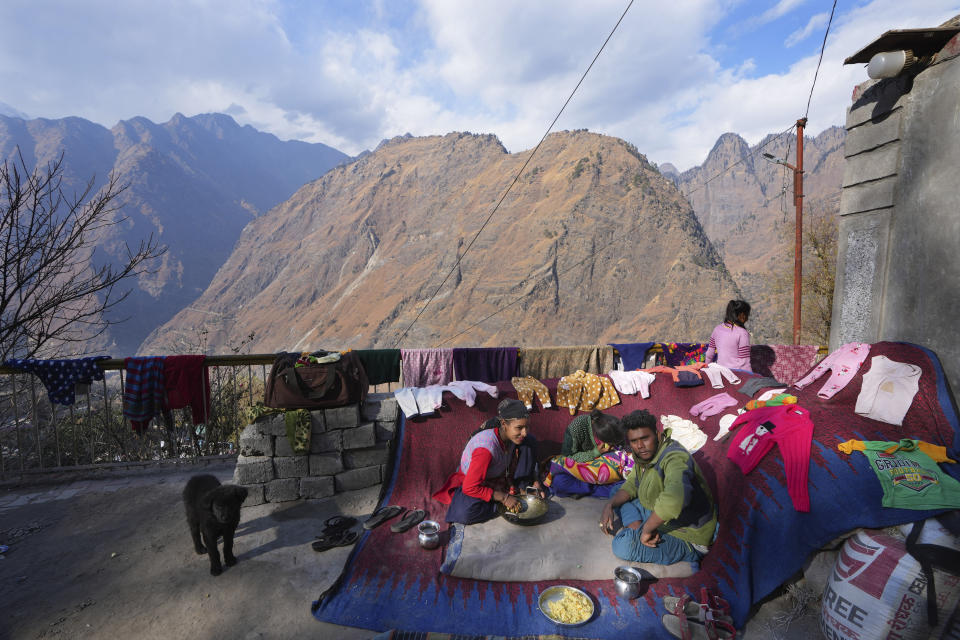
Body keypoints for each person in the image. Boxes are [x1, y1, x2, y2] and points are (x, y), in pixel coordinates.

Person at [599, 409, 717, 565]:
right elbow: (632, 482)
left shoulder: (675, 458)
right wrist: (610, 505)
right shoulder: (645, 454)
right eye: (634, 441)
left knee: (623, 545)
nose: (640, 446)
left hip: (687, 534)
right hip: (657, 509)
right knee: (617, 492)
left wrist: (647, 529)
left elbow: (673, 501)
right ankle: (636, 526)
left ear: (657, 433)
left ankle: (640, 530)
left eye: (645, 438)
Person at [432, 398, 546, 524]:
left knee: (530, 441)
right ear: (503, 424)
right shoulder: (485, 449)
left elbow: (530, 456)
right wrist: (504, 498)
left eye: (527, 427)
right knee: (463, 513)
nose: (524, 432)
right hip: (475, 481)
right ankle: (498, 506)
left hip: (500, 474)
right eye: (519, 428)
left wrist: (535, 480)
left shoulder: (515, 437)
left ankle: (522, 486)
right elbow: (469, 487)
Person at [545, 409, 631, 499]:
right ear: (597, 435)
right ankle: (601, 488)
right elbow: (568, 456)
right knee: (559, 482)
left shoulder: (612, 425)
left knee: (627, 474)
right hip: (582, 468)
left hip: (605, 468)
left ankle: (586, 489)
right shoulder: (577, 426)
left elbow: (622, 449)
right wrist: (596, 452)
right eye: (610, 443)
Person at [704, 299, 752, 371]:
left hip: (720, 371)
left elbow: (709, 354)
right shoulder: (742, 333)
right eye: (747, 315)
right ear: (742, 315)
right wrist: (751, 377)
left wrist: (707, 370)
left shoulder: (717, 329)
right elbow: (744, 362)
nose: (747, 319)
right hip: (736, 373)